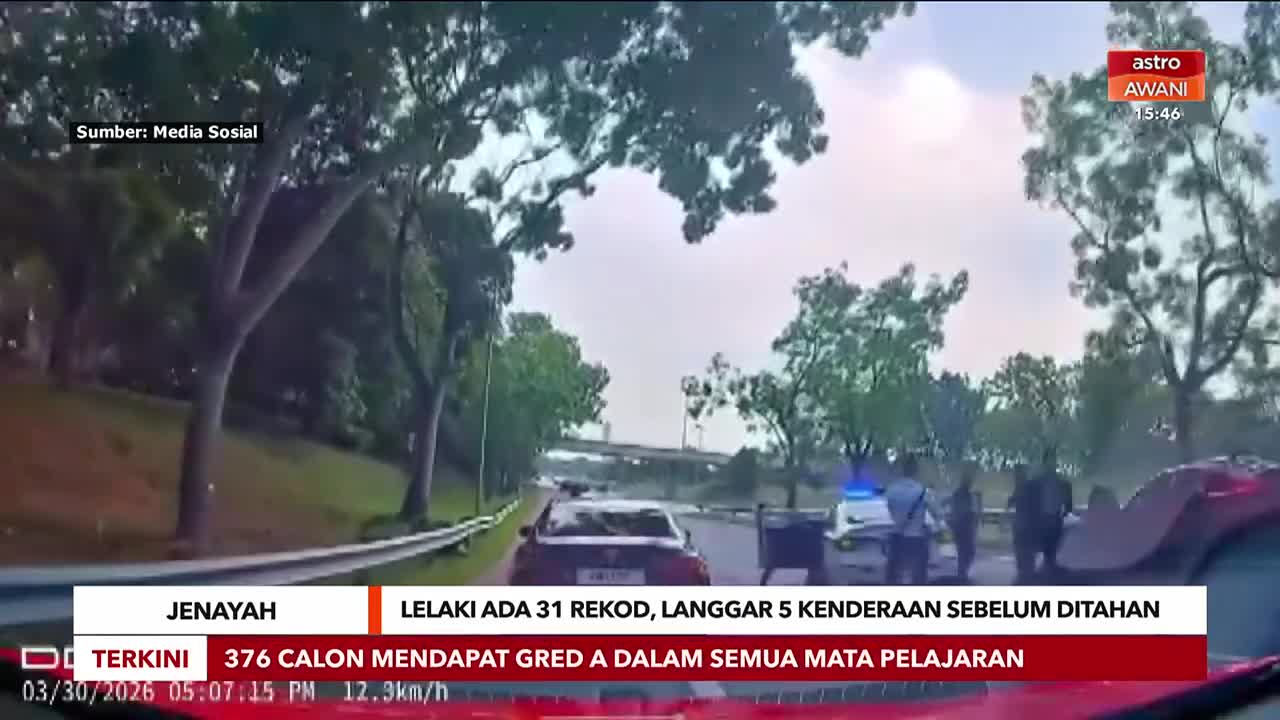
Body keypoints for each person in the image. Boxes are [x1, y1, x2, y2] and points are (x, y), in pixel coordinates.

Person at [885, 452, 933, 585]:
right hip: (916, 539)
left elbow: (891, 510)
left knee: (893, 576)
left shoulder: (891, 490)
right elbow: (937, 513)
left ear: (902, 470)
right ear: (915, 470)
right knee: (919, 577)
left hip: (897, 538)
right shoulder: (923, 491)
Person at [1037, 447, 1073, 578]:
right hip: (1043, 521)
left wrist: (1062, 516)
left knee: (1054, 551)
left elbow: (1069, 506)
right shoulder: (1037, 484)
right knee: (1048, 553)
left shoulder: (1063, 484)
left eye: (1054, 460)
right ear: (1044, 462)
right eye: (1049, 460)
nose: (1052, 463)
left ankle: (1052, 570)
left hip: (1056, 521)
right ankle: (1049, 569)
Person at [1008, 463, 1040, 584]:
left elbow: (1015, 502)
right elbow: (1013, 501)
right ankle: (1024, 577)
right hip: (1022, 528)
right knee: (1023, 556)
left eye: (1018, 474)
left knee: (1025, 556)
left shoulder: (1027, 487)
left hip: (1026, 528)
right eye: (1016, 474)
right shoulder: (1022, 487)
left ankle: (1025, 577)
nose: (1016, 477)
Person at [948, 464, 979, 583]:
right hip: (964, 528)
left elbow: (954, 510)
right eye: (969, 481)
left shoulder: (960, 493)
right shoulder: (964, 494)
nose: (970, 483)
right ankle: (962, 575)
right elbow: (966, 511)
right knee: (967, 552)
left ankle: (962, 574)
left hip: (960, 528)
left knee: (964, 553)